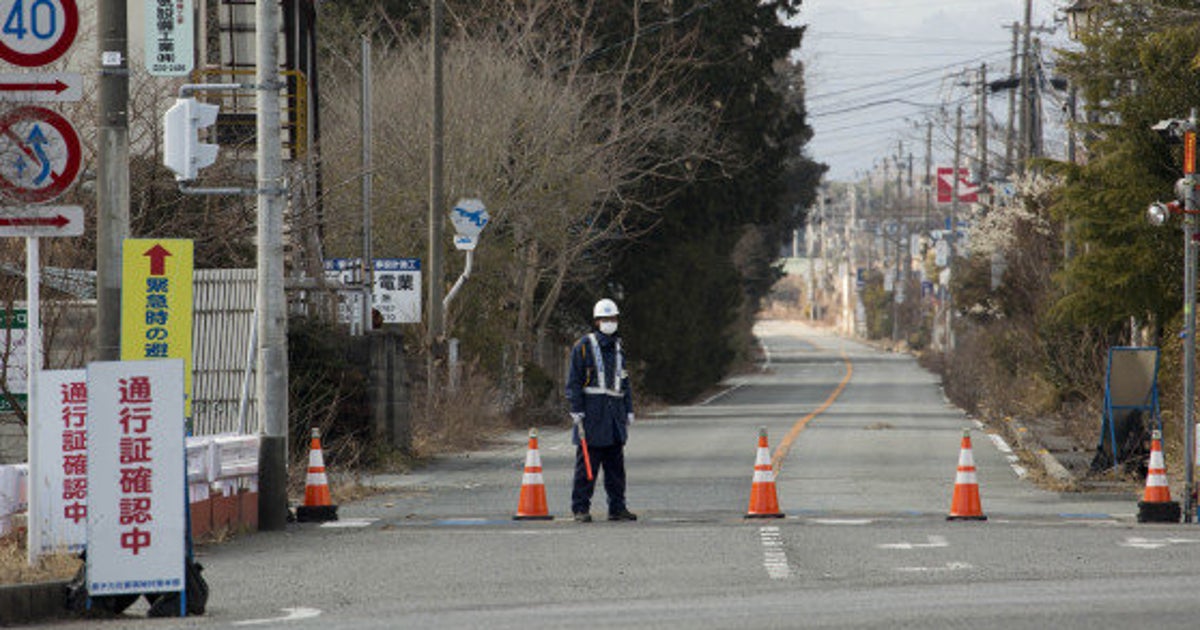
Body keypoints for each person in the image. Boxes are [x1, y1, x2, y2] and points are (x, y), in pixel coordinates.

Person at [565, 298, 637, 522]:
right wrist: (576, 408)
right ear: (597, 321)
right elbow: (574, 381)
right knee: (587, 466)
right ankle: (580, 508)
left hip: (614, 415)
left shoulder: (618, 348)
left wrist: (628, 409)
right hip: (592, 415)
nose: (610, 322)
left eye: (613, 318)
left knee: (616, 469)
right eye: (605, 319)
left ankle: (617, 507)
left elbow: (624, 383)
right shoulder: (584, 346)